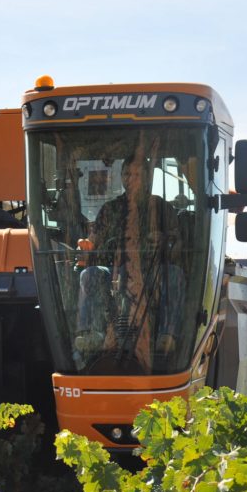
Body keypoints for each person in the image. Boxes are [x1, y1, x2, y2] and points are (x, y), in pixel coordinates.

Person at [74, 151, 184, 356]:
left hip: (152, 271)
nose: (129, 179)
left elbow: (178, 245)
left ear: (147, 178)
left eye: (136, 174)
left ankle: (166, 336)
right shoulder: (110, 209)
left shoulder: (162, 208)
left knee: (174, 273)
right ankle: (91, 334)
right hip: (113, 272)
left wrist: (164, 241)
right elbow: (93, 240)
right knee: (90, 274)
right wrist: (87, 246)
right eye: (126, 174)